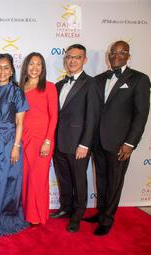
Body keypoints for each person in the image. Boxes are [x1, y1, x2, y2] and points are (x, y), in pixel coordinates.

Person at [86, 41, 150, 236]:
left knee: (114, 181)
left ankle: (107, 219)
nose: (116, 55)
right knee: (102, 180)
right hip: (98, 140)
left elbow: (141, 114)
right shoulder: (98, 79)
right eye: (113, 52)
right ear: (109, 55)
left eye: (121, 52)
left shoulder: (139, 79)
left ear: (128, 56)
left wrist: (130, 143)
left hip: (120, 143)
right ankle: (101, 212)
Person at [51, 44, 101, 233]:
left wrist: (85, 143)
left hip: (78, 143)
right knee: (63, 178)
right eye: (69, 57)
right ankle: (65, 208)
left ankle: (77, 215)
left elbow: (92, 116)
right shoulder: (58, 85)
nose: (72, 61)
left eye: (77, 57)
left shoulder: (91, 83)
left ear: (84, 60)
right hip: (59, 142)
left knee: (79, 181)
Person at [0, 53, 29, 237]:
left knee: (7, 182)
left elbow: (20, 122)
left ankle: (5, 218)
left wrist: (16, 147)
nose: (2, 71)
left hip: (9, 142)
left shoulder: (16, 91)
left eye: (6, 68)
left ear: (11, 71)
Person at [19, 52, 58, 226]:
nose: (34, 68)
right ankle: (26, 213)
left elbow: (54, 116)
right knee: (25, 178)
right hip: (23, 138)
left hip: (41, 139)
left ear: (42, 68)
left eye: (38, 64)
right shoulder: (20, 88)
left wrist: (48, 141)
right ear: (26, 67)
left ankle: (36, 216)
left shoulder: (49, 87)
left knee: (38, 178)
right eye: (31, 64)